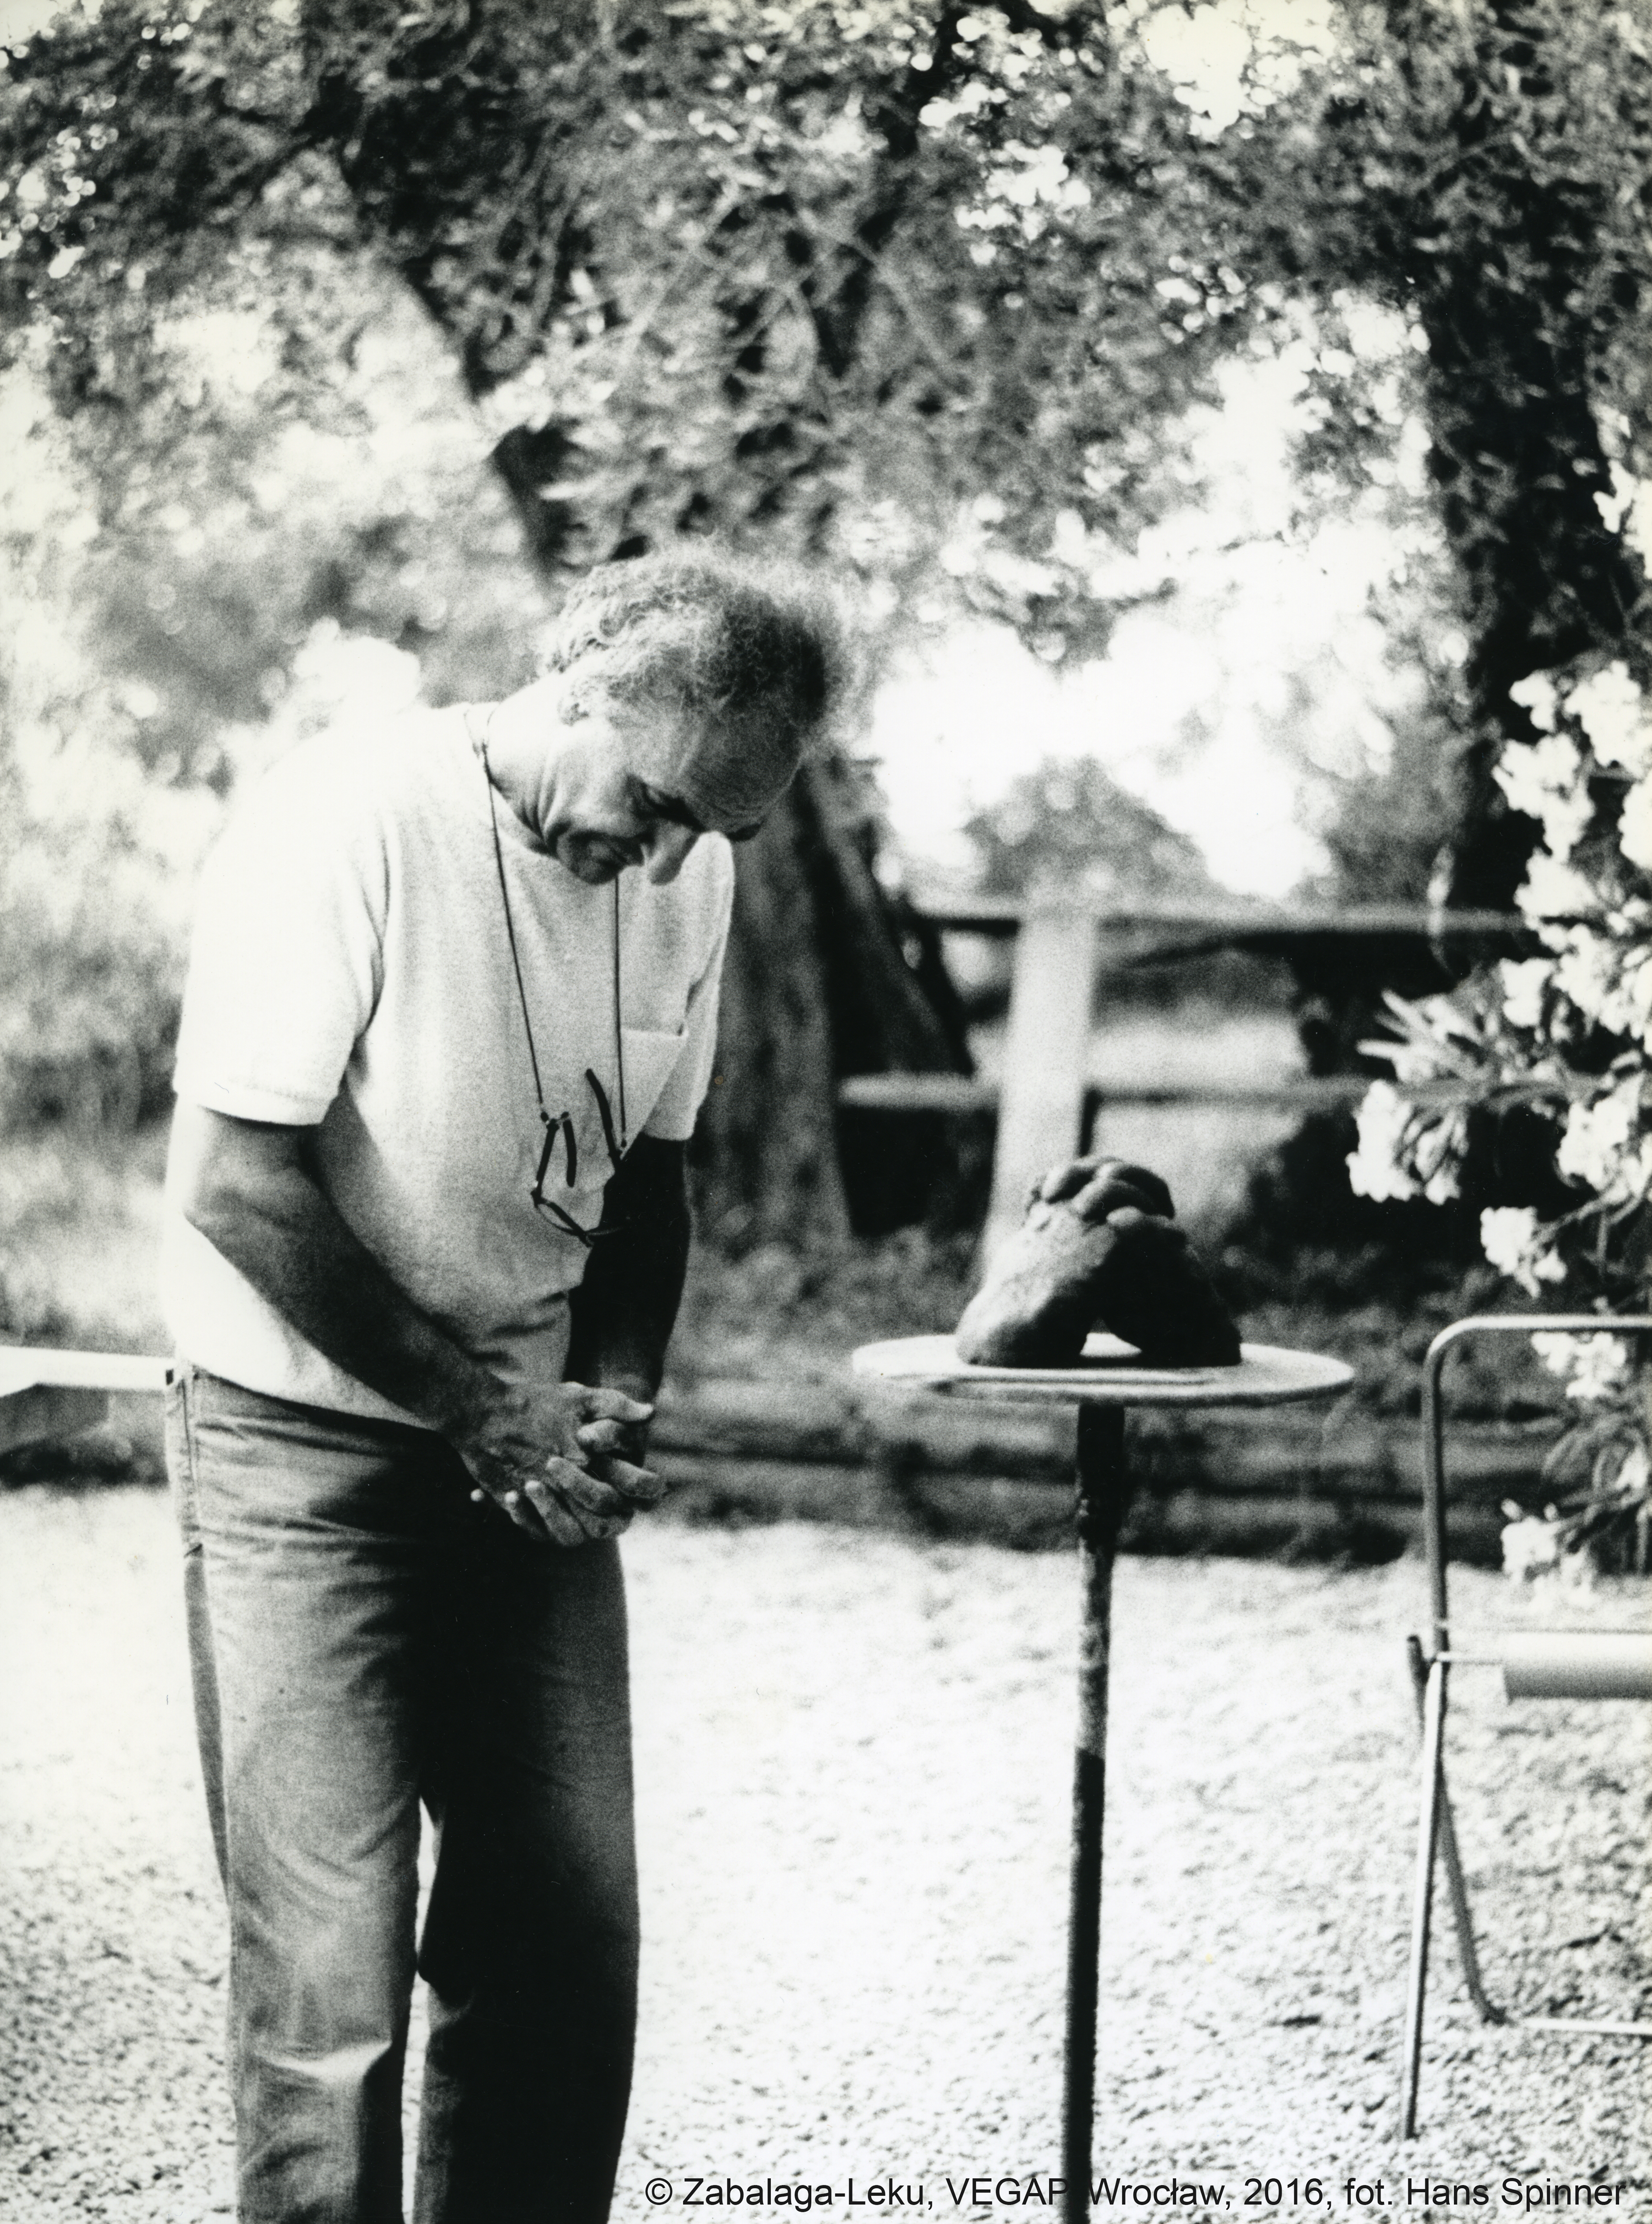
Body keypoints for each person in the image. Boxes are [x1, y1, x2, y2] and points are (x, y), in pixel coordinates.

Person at [159, 550, 846, 2223]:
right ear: (576, 688)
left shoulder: (693, 872)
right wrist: (482, 1411)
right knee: (329, 1981)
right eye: (661, 798)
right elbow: (233, 1179)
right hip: (301, 1448)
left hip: (526, 1448)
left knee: (562, 1937)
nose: (672, 853)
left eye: (720, 832)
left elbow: (653, 1183)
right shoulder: (351, 817)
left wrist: (611, 1397)